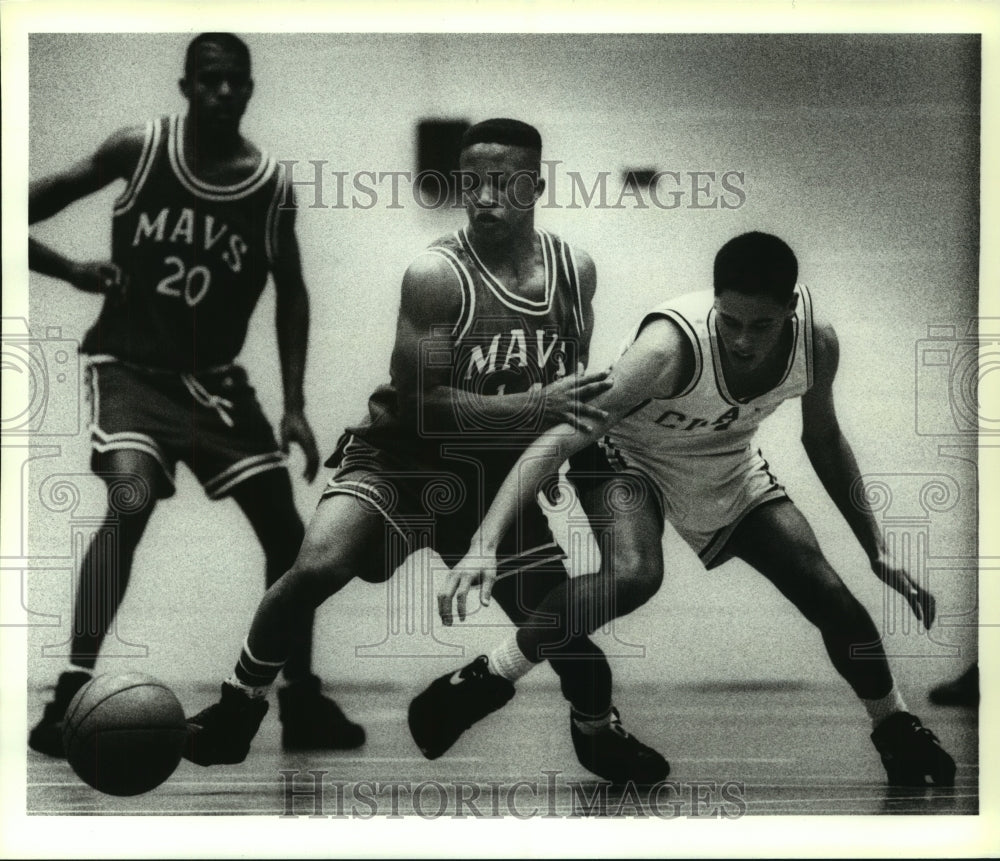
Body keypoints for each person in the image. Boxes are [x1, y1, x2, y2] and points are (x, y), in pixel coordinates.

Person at [182, 118, 669, 785]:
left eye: (504, 183)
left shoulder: (572, 271)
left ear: (537, 185)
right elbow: (424, 406)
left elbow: (569, 394)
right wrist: (535, 409)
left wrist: (547, 448)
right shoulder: (437, 275)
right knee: (316, 564)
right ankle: (237, 708)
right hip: (403, 459)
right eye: (472, 184)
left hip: (488, 479)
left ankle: (597, 732)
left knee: (569, 641)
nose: (486, 199)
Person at [424, 231, 956, 787]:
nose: (744, 340)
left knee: (827, 591)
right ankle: (488, 676)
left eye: (762, 325)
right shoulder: (667, 348)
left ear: (791, 309)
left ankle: (895, 726)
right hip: (625, 454)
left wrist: (879, 549)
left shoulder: (817, 343)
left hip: (723, 461)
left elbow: (823, 439)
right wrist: (483, 546)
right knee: (634, 575)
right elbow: (559, 439)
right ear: (714, 302)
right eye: (730, 321)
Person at [28, 33, 363, 756]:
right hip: (130, 367)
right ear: (185, 85)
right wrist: (70, 271)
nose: (221, 92)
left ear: (249, 89)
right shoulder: (140, 149)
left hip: (215, 385)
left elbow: (292, 292)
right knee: (131, 497)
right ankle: (68, 690)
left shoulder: (270, 184)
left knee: (292, 535)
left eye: (234, 81)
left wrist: (296, 403)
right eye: (208, 80)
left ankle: (300, 698)